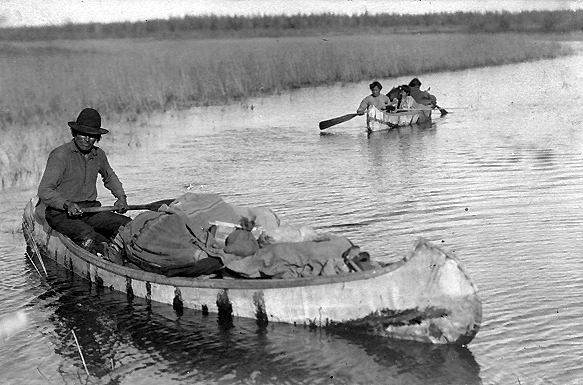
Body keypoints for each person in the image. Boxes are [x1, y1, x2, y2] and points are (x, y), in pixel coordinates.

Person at [38, 108, 131, 256]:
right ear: (74, 133)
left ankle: (123, 253)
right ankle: (102, 256)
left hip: (91, 211)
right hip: (61, 214)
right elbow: (45, 191)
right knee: (87, 236)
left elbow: (110, 177)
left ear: (97, 138)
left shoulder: (98, 155)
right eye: (83, 134)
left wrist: (121, 197)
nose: (87, 139)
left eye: (92, 135)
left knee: (127, 226)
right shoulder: (60, 155)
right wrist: (67, 204)